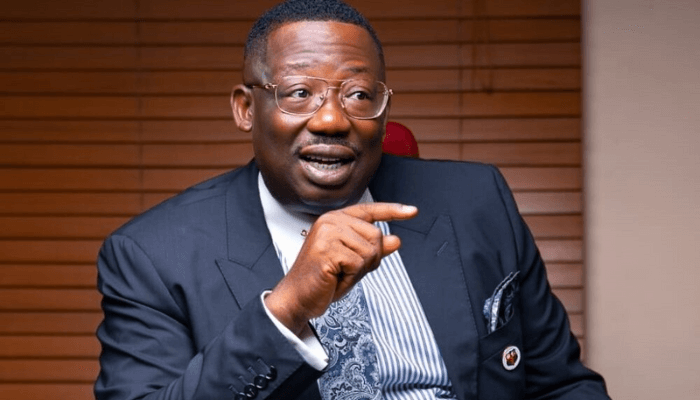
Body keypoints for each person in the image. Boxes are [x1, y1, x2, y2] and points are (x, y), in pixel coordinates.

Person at [94, 1, 610, 399]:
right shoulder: (151, 254)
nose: (331, 119)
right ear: (246, 109)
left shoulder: (476, 200)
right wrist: (287, 309)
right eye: (299, 93)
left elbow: (562, 385)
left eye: (358, 95)